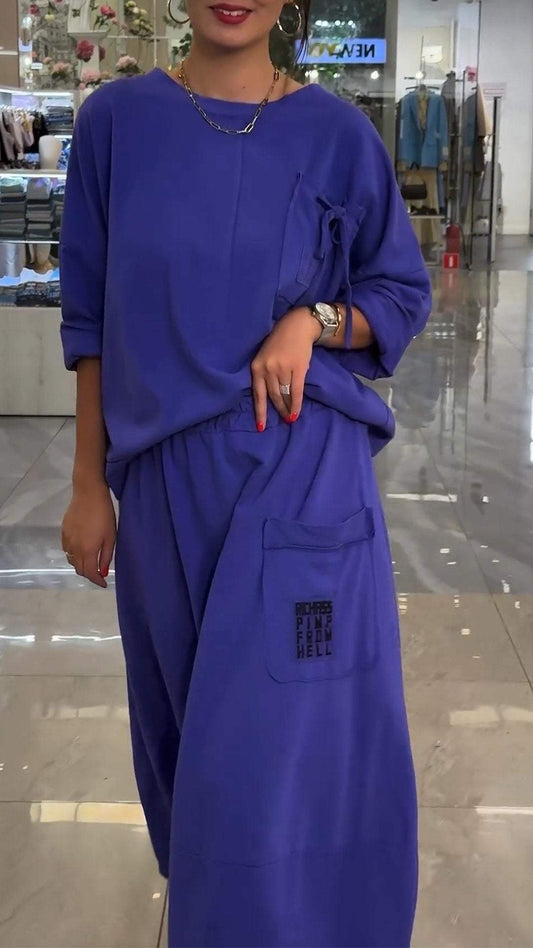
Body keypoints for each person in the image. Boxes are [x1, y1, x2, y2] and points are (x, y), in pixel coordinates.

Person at [59, 0, 432, 944]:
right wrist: (87, 483)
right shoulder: (116, 125)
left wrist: (316, 319)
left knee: (288, 766)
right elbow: (90, 317)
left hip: (303, 483)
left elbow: (398, 292)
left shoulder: (337, 135)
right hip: (164, 494)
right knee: (188, 761)